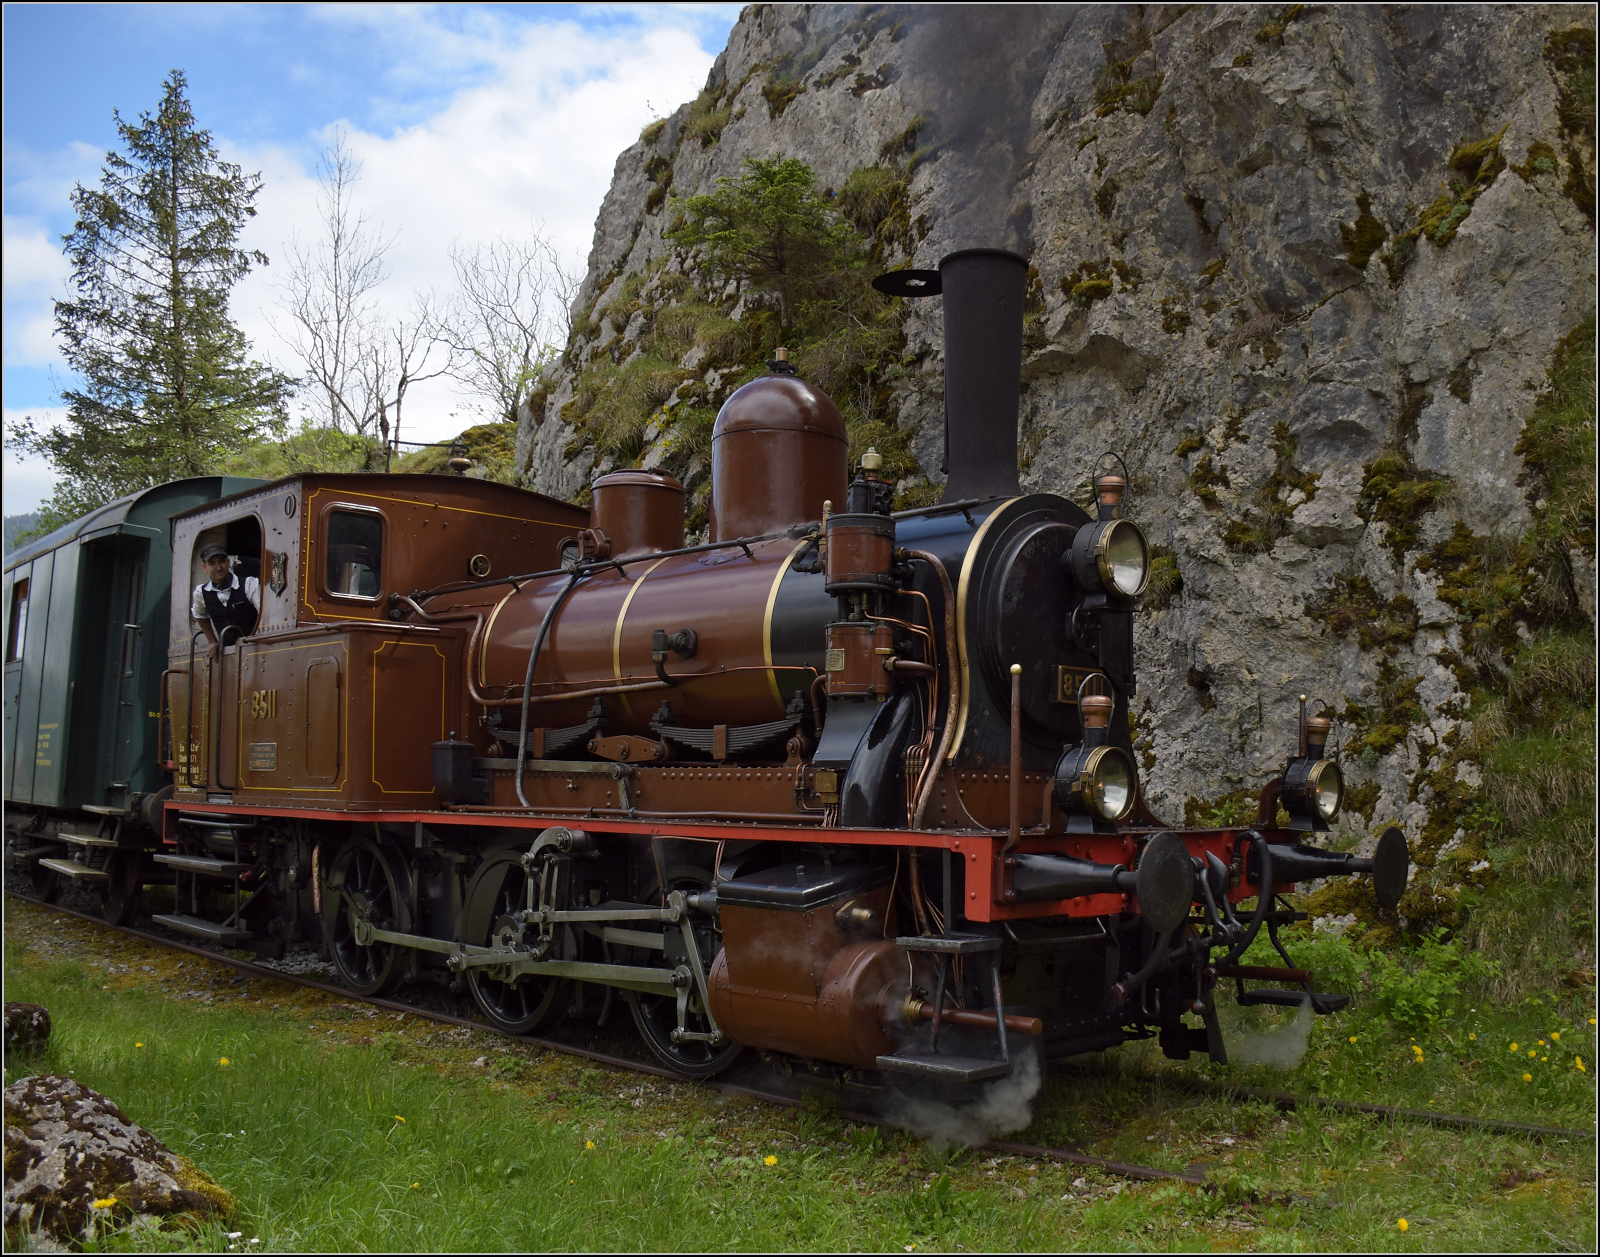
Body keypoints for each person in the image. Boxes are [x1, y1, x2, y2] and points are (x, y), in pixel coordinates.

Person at [191, 542, 260, 647]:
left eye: (222, 561)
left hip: (253, 648)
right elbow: (199, 614)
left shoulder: (249, 584)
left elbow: (264, 612)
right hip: (226, 655)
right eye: (212, 563)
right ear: (204, 567)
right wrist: (212, 641)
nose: (218, 567)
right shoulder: (201, 592)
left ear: (228, 562)